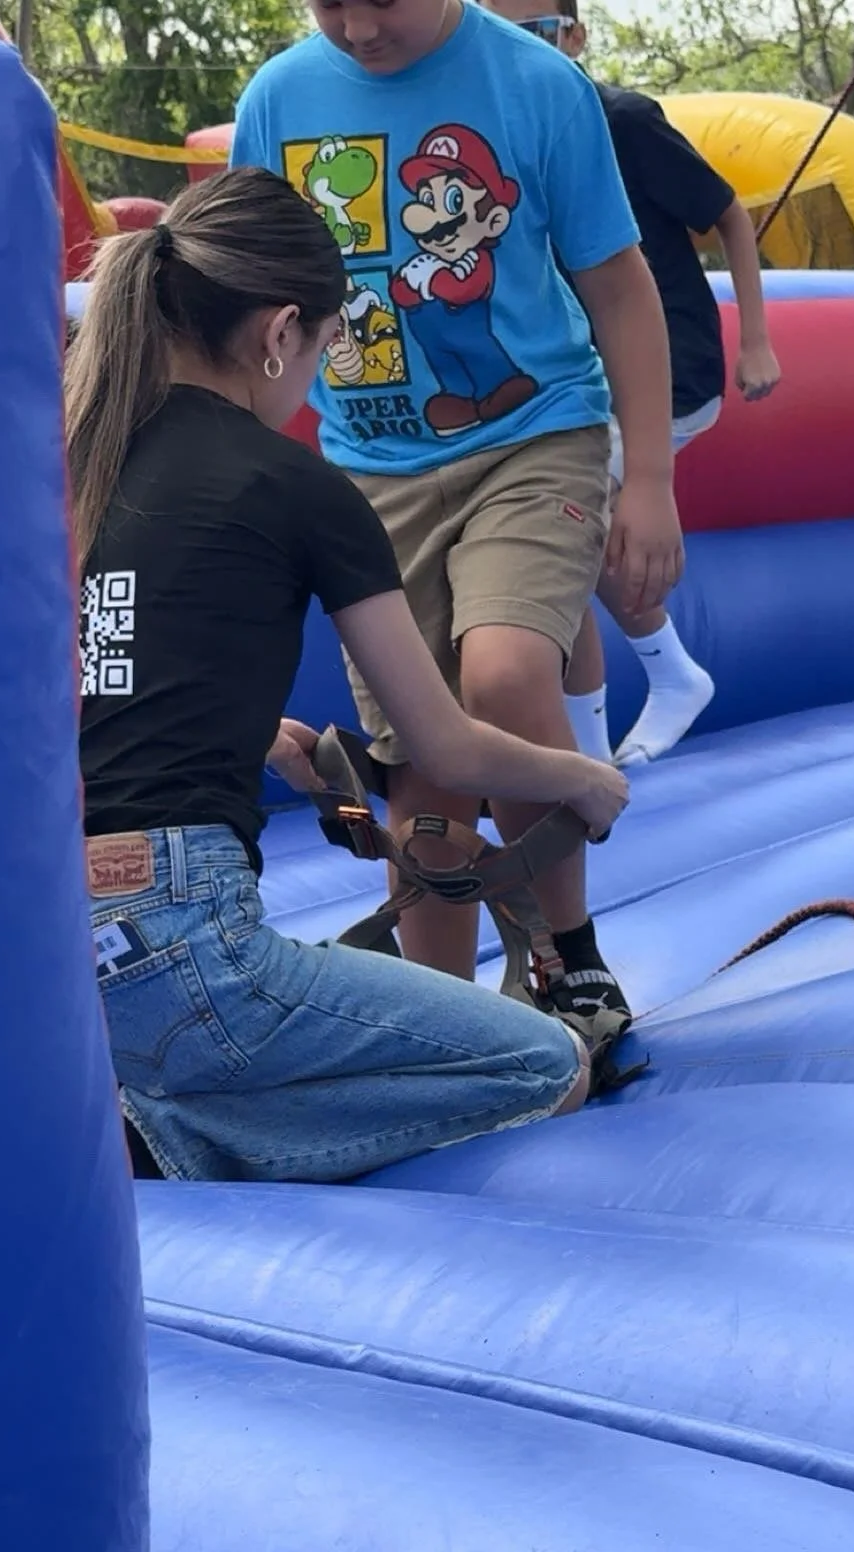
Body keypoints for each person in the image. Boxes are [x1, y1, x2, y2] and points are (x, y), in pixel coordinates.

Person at [70, 167, 630, 1183]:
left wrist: (259, 732)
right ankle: (172, 1138)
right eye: (329, 345)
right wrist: (583, 779)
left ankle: (147, 1111)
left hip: (55, 958)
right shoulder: (297, 485)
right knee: (544, 1063)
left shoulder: (87, 459)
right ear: (282, 330)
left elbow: (97, 675)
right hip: (189, 954)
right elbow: (443, 744)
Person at [230, 0, 682, 1036]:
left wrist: (648, 477)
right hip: (371, 468)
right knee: (424, 767)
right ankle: (447, 1016)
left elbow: (618, 285)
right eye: (327, 2)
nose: (355, 27)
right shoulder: (280, 102)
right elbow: (240, 296)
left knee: (506, 674)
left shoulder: (535, 83)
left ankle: (569, 957)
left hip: (533, 437)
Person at [483, 0, 782, 768]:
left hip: (664, 366)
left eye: (541, 31)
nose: (525, 48)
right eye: (505, 30)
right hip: (578, 375)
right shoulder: (499, 130)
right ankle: (628, 713)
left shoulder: (621, 118)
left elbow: (730, 216)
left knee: (557, 533)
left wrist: (755, 341)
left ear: (574, 36)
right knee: (558, 539)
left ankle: (634, 708)